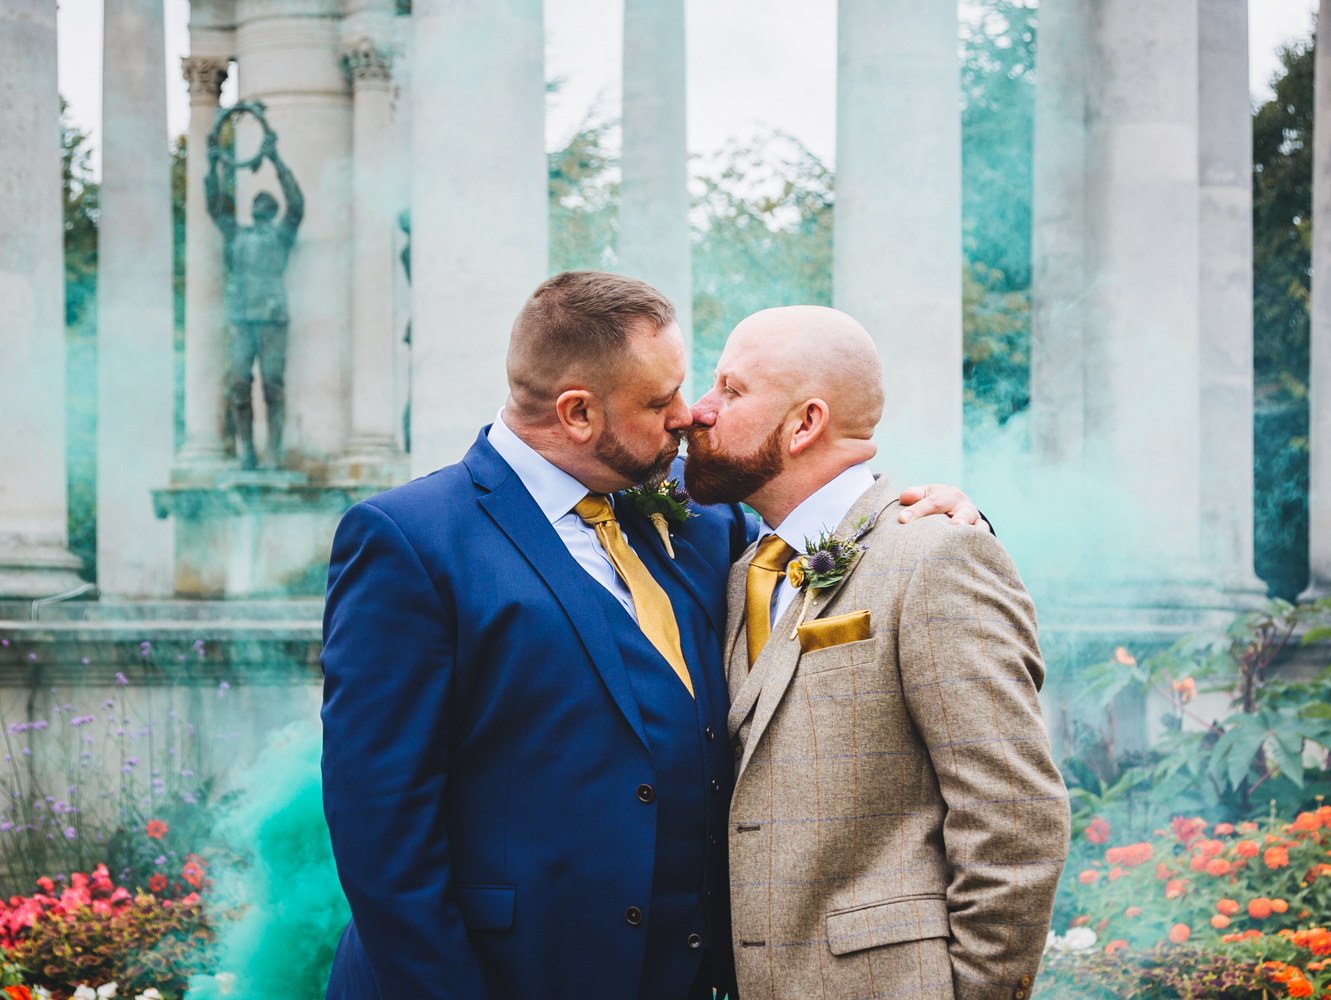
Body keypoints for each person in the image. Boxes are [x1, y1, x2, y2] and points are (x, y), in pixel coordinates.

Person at [319, 272, 981, 1000]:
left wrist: (943, 524)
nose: (687, 416)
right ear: (577, 414)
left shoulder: (702, 527)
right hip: (504, 978)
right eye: (658, 400)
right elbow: (381, 828)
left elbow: (840, 545)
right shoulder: (410, 541)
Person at [684, 305, 1069, 1000]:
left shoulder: (936, 553)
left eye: (731, 391)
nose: (698, 412)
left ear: (806, 423)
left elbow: (1015, 818)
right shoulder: (740, 567)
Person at [205, 128, 303, 470]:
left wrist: (274, 159)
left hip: (273, 315)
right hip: (242, 315)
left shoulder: (281, 234)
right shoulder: (239, 234)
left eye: (266, 202)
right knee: (238, 385)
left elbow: (297, 204)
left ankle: (273, 452)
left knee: (273, 386)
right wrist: (212, 163)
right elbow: (215, 207)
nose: (260, 203)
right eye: (256, 201)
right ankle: (246, 449)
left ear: (271, 210)